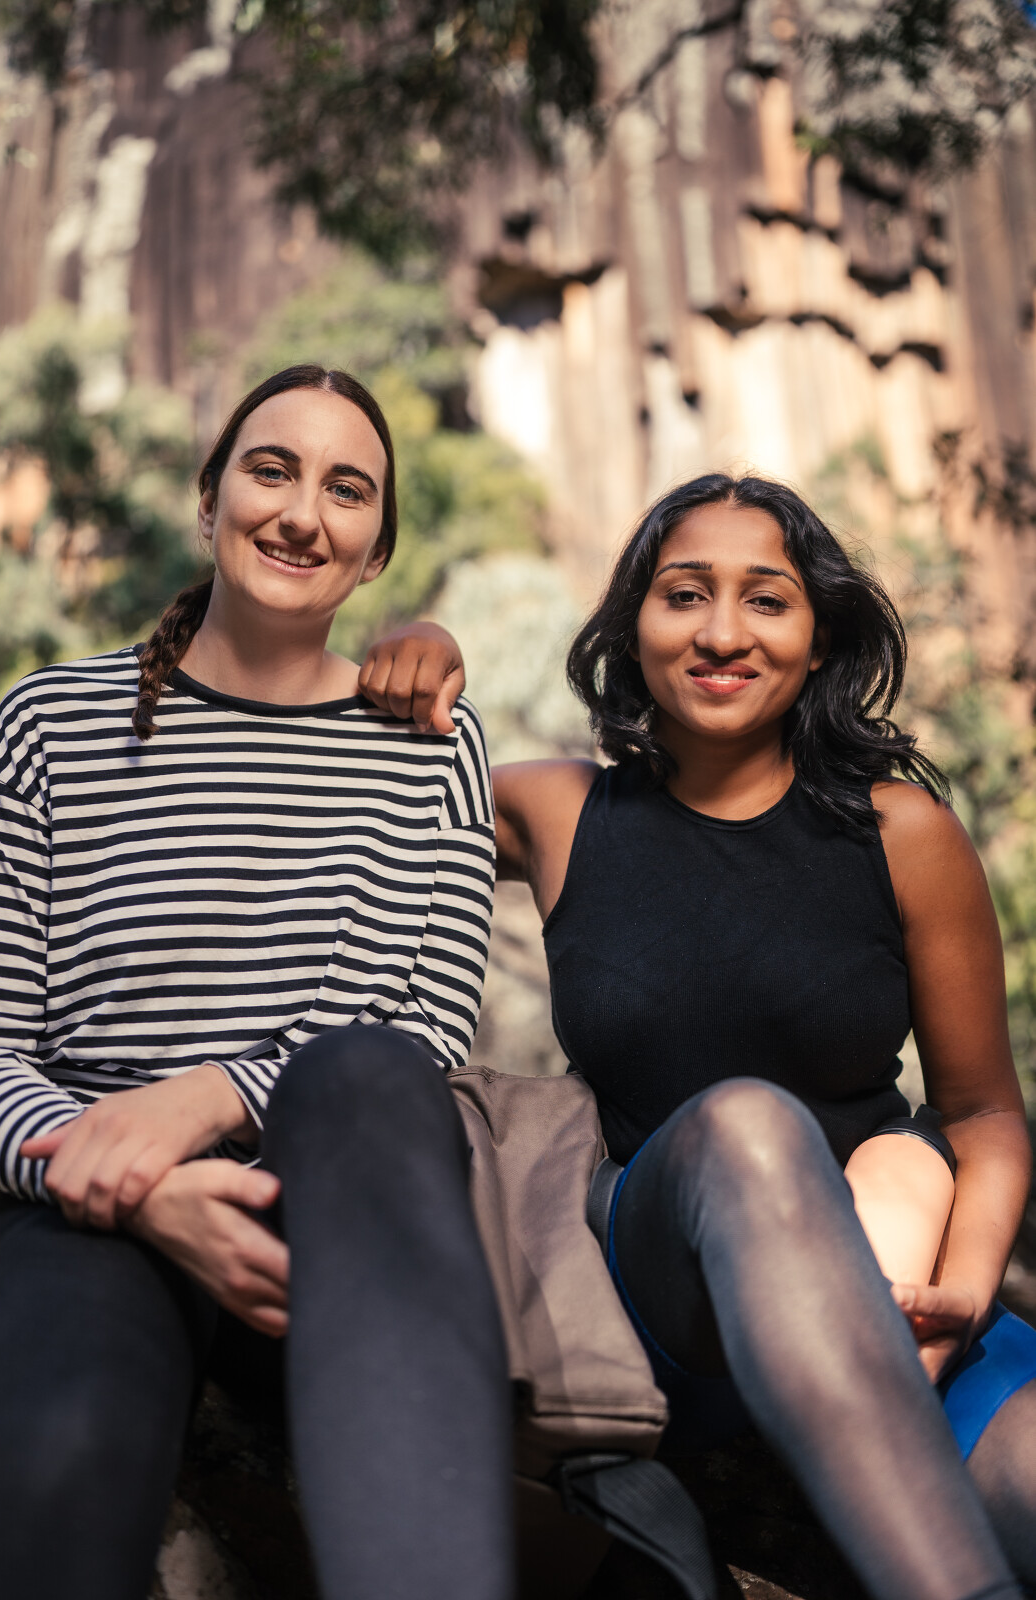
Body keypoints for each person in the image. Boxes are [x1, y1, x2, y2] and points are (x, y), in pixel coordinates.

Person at [361, 473, 1036, 1600]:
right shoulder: (559, 811)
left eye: (766, 599)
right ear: (634, 625)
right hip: (657, 1283)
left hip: (893, 1267)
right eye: (683, 594)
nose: (722, 633)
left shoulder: (902, 832)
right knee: (743, 1126)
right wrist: (406, 656)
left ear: (819, 640)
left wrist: (960, 1293)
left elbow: (981, 1113)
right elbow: (344, 794)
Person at [0, 365, 515, 1600]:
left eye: (347, 490)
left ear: (376, 553)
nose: (302, 513)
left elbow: (427, 1026)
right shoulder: (50, 725)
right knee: (53, 1473)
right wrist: (132, 1180)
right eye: (271, 470)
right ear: (207, 496)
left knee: (368, 1072)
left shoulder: (431, 746)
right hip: (86, 1206)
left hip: (341, 1207)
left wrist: (209, 1094)